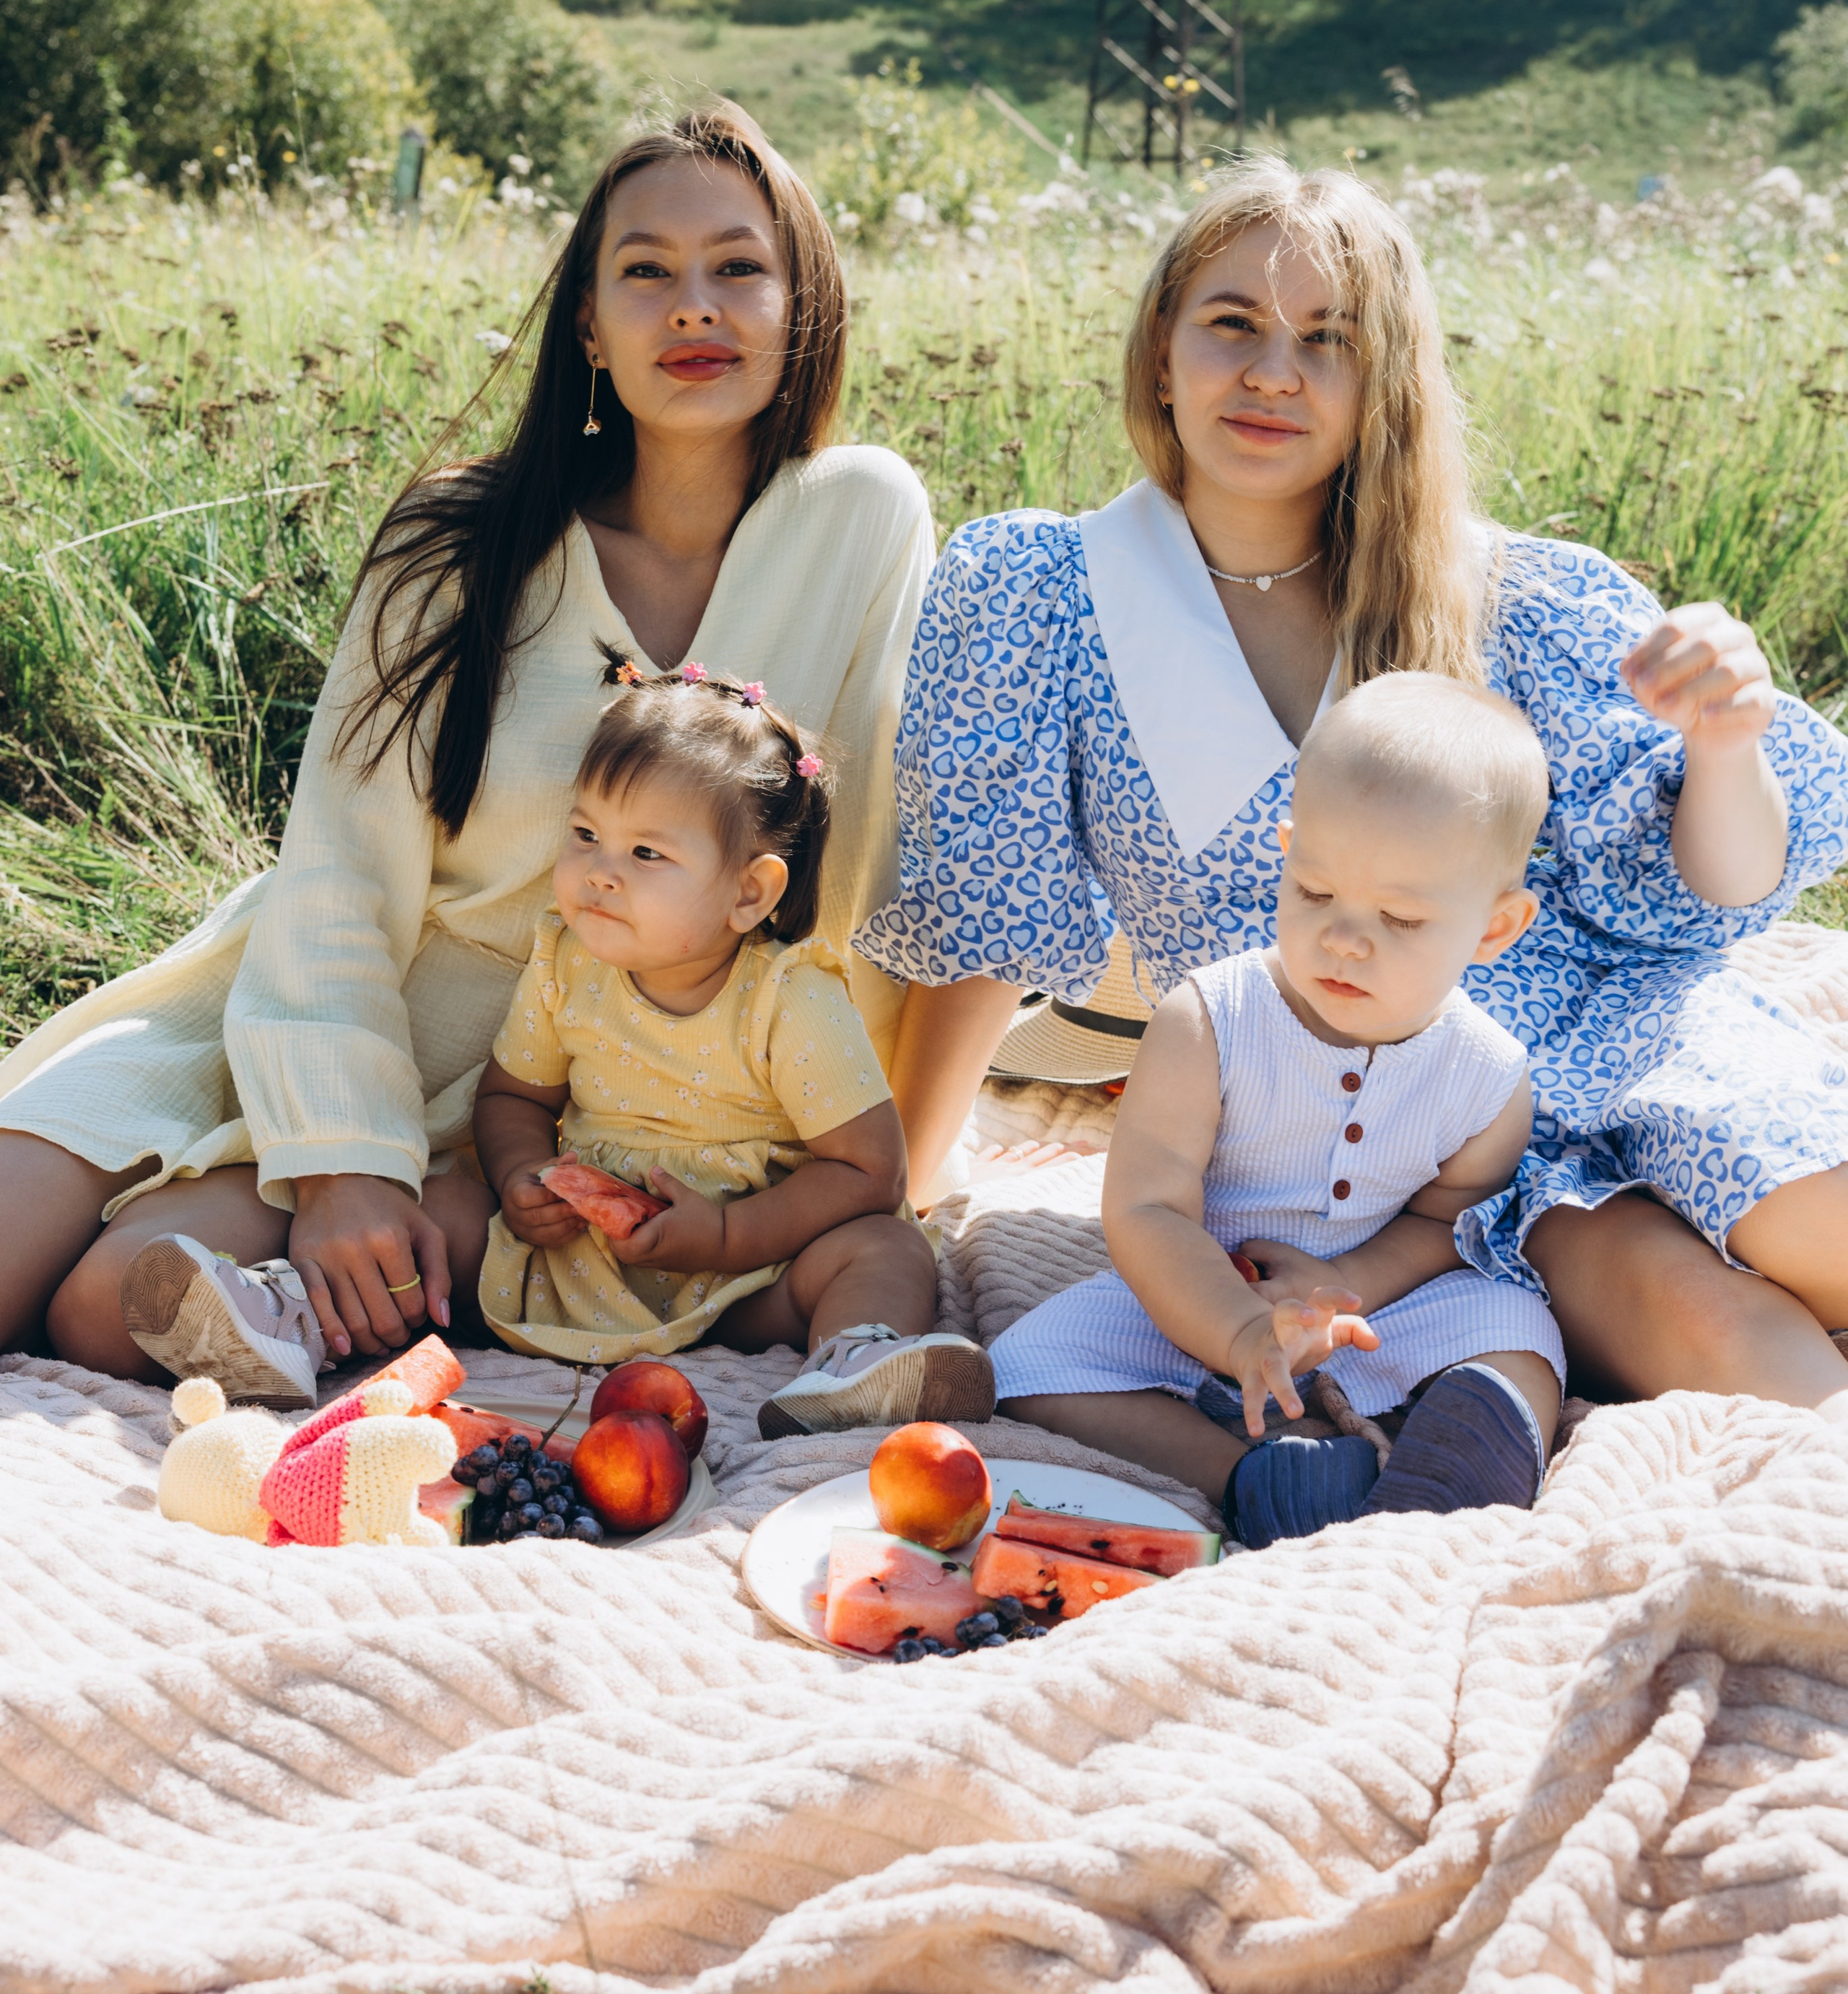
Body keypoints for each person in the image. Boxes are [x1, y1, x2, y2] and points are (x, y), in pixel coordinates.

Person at [861, 157, 1848, 1429]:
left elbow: (1714, 891)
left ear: (1380, 385)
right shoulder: (1041, 590)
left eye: (1328, 342)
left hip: (1637, 1040)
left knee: (1819, 1225)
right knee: (1767, 1374)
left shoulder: (1502, 593)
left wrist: (1724, 739)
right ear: (1162, 350)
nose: (1275, 373)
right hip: (1400, 1159)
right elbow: (980, 932)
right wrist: (897, 1192)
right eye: (1234, 326)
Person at [0, 105, 933, 1402]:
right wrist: (342, 1164)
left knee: (109, 1310)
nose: (694, 306)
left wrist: (851, 1160)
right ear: (590, 328)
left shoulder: (862, 519)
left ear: (805, 305)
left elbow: (877, 856)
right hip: (325, 997)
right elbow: (335, 868)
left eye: (739, 267)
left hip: (565, 1084)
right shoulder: (459, 541)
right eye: (646, 271)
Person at [994, 672, 1566, 1544]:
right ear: (1287, 850)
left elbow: (1449, 1217)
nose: (1343, 936)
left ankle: (1467, 1456)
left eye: (1400, 920)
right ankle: (1256, 1472)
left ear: (1495, 928)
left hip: (1378, 1308)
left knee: (1519, 1326)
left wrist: (1351, 1290)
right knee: (1029, 1364)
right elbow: (1148, 1207)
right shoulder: (1212, 1020)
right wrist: (1237, 1332)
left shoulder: (1486, 1073)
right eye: (1313, 890)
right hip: (1200, 1286)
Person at [465, 662, 989, 1435]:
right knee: (445, 1201)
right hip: (580, 1256)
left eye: (646, 854)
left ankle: (853, 1368)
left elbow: (872, 1173)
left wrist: (724, 1237)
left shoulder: (791, 999)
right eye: (586, 835)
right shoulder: (564, 962)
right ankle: (313, 1310)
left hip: (754, 1274)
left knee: (885, 1250)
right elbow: (515, 1098)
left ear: (750, 893)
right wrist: (520, 1178)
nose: (600, 874)